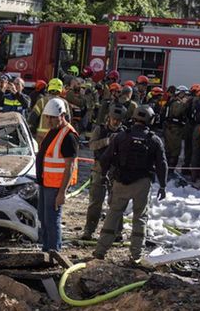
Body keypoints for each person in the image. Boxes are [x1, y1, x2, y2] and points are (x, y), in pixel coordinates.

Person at [94, 105, 168, 262]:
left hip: (120, 182)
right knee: (140, 218)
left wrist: (103, 175)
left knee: (113, 214)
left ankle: (101, 250)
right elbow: (162, 164)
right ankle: (136, 254)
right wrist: (163, 185)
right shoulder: (154, 140)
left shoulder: (121, 136)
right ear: (150, 119)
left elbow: (105, 158)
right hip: (142, 183)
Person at [36, 96, 78, 254]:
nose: (49, 121)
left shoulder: (68, 136)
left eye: (52, 118)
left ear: (62, 115)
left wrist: (62, 193)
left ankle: (54, 252)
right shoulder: (53, 132)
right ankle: (46, 250)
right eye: (47, 117)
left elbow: (70, 166)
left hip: (55, 187)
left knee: (52, 221)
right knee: (44, 218)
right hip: (45, 183)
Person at [81, 110, 124, 242]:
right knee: (95, 203)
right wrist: (107, 141)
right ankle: (89, 230)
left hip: (116, 172)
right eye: (114, 119)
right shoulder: (100, 129)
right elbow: (92, 145)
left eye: (118, 120)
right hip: (99, 170)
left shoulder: (124, 132)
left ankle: (117, 232)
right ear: (109, 118)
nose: (116, 122)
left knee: (116, 203)